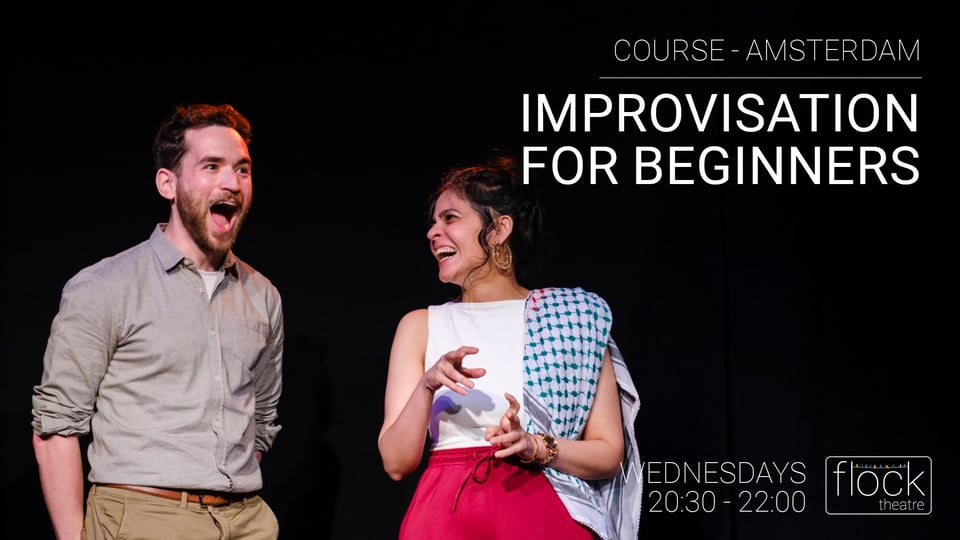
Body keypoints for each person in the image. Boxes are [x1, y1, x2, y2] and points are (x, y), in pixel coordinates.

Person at [31, 103, 284, 540]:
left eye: (242, 170)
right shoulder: (105, 286)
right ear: (168, 183)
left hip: (247, 520)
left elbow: (261, 420)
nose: (232, 182)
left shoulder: (263, 296)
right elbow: (55, 426)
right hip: (144, 515)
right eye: (212, 166)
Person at [378, 151, 642, 539]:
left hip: (542, 513)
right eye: (433, 222)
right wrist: (427, 385)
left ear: (499, 229)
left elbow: (608, 453)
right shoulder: (419, 325)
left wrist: (535, 445)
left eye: (450, 218)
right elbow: (396, 463)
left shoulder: (572, 317)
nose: (433, 232)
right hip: (445, 519)